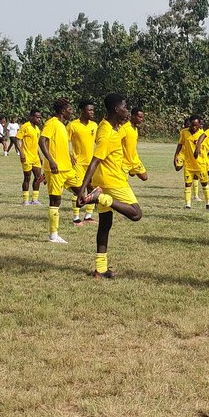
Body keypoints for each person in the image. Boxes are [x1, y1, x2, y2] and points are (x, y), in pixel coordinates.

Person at [77, 93, 143, 279]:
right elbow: (95, 160)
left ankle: (100, 269)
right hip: (111, 181)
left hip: (106, 180)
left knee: (105, 224)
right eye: (125, 107)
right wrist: (83, 189)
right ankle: (101, 197)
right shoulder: (105, 132)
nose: (127, 110)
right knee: (136, 214)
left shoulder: (114, 127)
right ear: (116, 109)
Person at [38, 99, 86, 244]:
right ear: (62, 111)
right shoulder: (51, 123)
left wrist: (69, 155)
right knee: (55, 200)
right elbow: (42, 141)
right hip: (56, 170)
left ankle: (81, 216)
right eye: (69, 109)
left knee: (81, 192)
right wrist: (51, 161)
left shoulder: (62, 126)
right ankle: (53, 235)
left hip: (67, 169)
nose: (71, 111)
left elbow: (59, 145)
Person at [67, 99, 98, 225]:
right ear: (82, 111)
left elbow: (98, 142)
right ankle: (76, 218)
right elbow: (64, 141)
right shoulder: (72, 125)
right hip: (78, 163)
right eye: (89, 109)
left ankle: (88, 216)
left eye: (92, 110)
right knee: (79, 189)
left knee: (92, 188)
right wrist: (69, 154)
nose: (92, 112)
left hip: (91, 163)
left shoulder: (94, 125)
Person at [174, 115, 209, 209]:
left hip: (200, 164)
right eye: (192, 125)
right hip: (189, 164)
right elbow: (180, 144)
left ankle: (208, 203)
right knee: (187, 184)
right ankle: (188, 204)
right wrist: (176, 155)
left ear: (199, 125)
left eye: (196, 125)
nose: (194, 127)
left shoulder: (203, 134)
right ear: (189, 124)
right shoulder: (184, 132)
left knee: (204, 184)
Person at [16, 110, 44, 205]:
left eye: (40, 117)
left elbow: (36, 144)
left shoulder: (37, 129)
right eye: (37, 117)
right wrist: (21, 153)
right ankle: (25, 200)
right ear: (31, 117)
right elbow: (16, 140)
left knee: (38, 177)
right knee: (27, 178)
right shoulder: (25, 126)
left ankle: (35, 199)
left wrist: (39, 156)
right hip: (27, 157)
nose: (39, 119)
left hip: (35, 157)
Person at [120, 106, 149, 182]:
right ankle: (130, 170)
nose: (141, 119)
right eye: (140, 117)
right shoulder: (124, 128)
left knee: (144, 177)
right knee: (123, 183)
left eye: (142, 117)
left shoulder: (135, 129)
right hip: (125, 162)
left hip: (135, 160)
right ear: (133, 116)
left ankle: (132, 171)